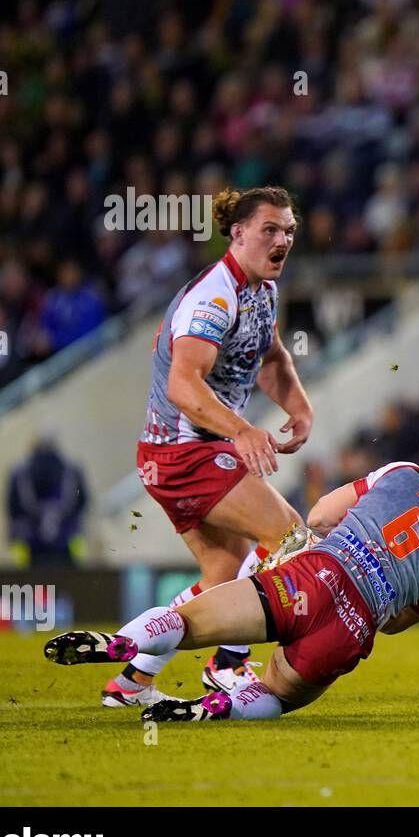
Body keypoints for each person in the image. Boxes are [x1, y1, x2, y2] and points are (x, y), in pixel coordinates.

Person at [44, 458, 419, 721]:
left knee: (187, 623)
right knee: (276, 692)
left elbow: (318, 515)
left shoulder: (405, 472)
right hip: (353, 626)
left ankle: (128, 642)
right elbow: (398, 623)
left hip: (315, 575)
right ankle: (216, 707)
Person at [108, 186, 315, 709]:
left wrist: (299, 406)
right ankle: (228, 665)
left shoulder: (261, 291)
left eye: (289, 230)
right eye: (270, 229)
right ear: (238, 232)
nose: (282, 239)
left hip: (176, 454)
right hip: (183, 452)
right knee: (290, 539)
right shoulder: (214, 295)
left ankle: (131, 677)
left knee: (224, 572)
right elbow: (183, 385)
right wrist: (242, 430)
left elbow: (271, 357)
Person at [6, 437, 88, 567]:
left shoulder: (19, 473)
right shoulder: (72, 471)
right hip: (38, 544)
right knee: (64, 581)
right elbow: (83, 502)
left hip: (59, 542)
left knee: (37, 583)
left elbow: (12, 509)